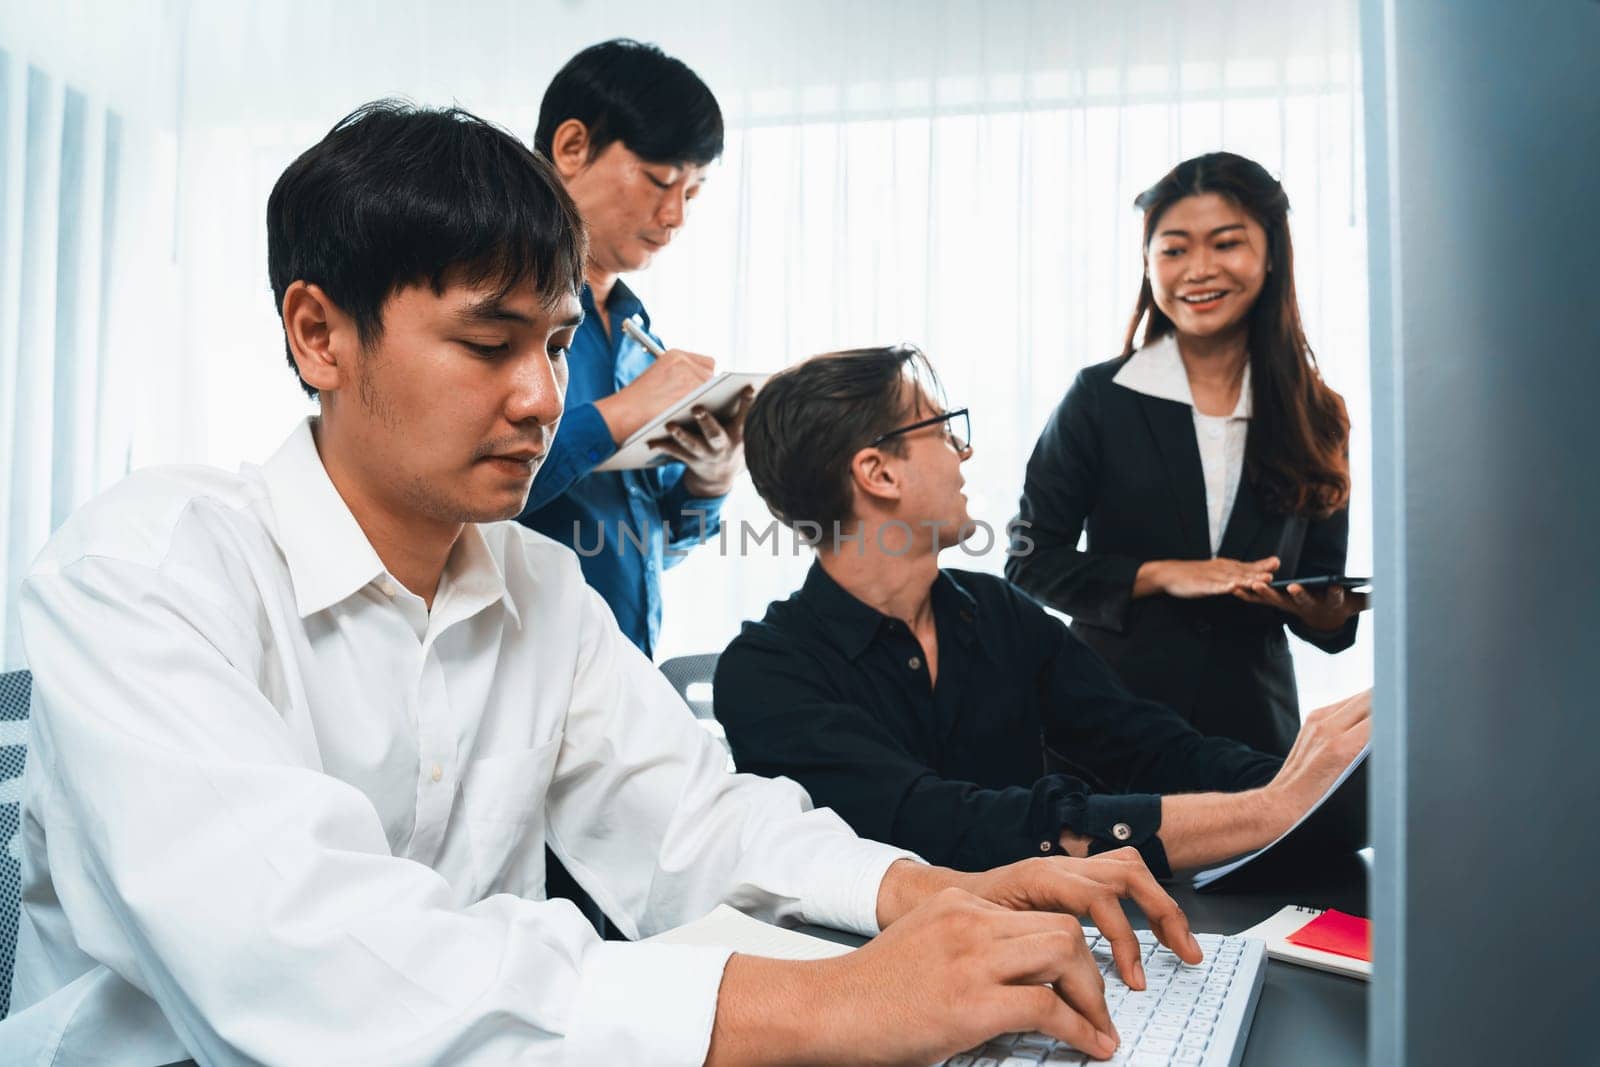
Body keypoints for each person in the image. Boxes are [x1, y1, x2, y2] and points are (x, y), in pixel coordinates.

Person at [2, 101, 1201, 1067]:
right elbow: (308, 963)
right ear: (319, 334)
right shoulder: (145, 572)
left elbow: (698, 824)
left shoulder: (535, 583)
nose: (541, 397)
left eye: (560, 342)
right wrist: (836, 1003)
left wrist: (930, 892)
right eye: (488, 343)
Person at [716, 345, 1370, 876]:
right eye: (943, 430)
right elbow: (952, 828)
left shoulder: (996, 612)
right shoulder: (766, 676)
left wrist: (1328, 785)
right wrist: (1269, 810)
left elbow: (1150, 745)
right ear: (878, 473)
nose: (962, 451)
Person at [1006, 152, 1367, 757]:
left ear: (1271, 255)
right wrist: (1167, 575)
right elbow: (1028, 562)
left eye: (1226, 244)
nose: (1198, 270)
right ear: (1149, 265)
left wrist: (1324, 614)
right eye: (1174, 249)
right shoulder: (1099, 399)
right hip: (1105, 727)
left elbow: (1325, 604)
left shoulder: (1318, 413)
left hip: (1252, 734)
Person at [516, 38, 750, 658]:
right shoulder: (497, 316)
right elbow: (463, 498)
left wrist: (709, 481)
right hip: (521, 672)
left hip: (621, 674)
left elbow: (654, 543)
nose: (674, 215)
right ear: (571, 147)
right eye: (658, 181)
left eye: (692, 193)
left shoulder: (639, 339)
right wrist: (623, 414)